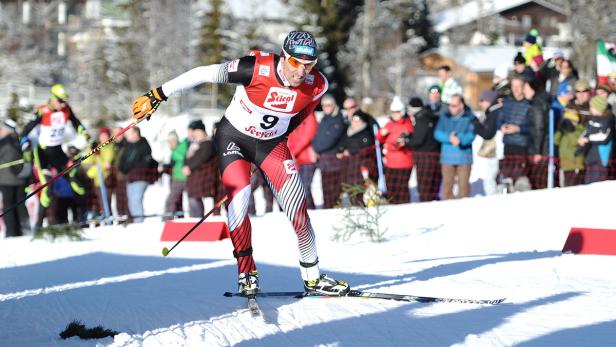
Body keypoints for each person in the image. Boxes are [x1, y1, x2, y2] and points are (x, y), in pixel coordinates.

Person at [131, 30, 349, 296]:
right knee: (239, 200)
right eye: (294, 62)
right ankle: (247, 271)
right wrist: (158, 94)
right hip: (233, 139)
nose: (301, 71)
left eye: (309, 64)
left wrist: (284, 131)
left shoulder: (318, 84)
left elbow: (303, 110)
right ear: (283, 57)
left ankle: (313, 277)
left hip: (272, 145)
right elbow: (203, 73)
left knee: (298, 211)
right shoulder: (254, 68)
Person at [20, 84, 90, 212]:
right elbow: (25, 130)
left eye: (64, 101)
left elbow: (76, 123)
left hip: (57, 150)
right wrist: (25, 142)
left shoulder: (66, 110)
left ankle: (83, 214)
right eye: (60, 100)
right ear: (52, 98)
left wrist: (87, 136)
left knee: (75, 179)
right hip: (43, 152)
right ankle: (38, 225)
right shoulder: (43, 110)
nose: (62, 104)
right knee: (48, 187)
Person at [433, 94, 476, 199]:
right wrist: (449, 138)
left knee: (464, 189)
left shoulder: (470, 117)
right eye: (450, 105)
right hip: (447, 158)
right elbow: (437, 133)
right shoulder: (444, 117)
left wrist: (460, 139)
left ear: (461, 105)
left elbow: (471, 134)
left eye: (454, 105)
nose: (451, 107)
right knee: (447, 189)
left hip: (464, 158)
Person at [375, 96, 414, 204]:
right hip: (390, 163)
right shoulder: (389, 124)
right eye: (393, 112)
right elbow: (379, 137)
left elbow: (400, 143)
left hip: (403, 163)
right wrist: (381, 134)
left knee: (402, 190)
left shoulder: (407, 124)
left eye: (397, 112)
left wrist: (390, 145)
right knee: (391, 189)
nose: (395, 114)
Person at [402, 96, 441, 202]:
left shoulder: (421, 118)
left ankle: (426, 205)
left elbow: (417, 140)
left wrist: (406, 140)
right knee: (432, 185)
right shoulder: (428, 115)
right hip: (433, 154)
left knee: (424, 186)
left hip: (425, 156)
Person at [497, 76, 532, 191]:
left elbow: (534, 127)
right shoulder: (507, 102)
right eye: (513, 86)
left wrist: (518, 129)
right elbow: (499, 120)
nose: (516, 89)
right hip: (508, 145)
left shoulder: (529, 104)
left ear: (523, 87)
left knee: (521, 179)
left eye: (518, 86)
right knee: (508, 177)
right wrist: (501, 126)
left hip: (522, 145)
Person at [312, 94, 347, 208]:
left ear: (334, 105)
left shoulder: (339, 119)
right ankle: (327, 208)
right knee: (326, 188)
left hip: (334, 160)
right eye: (324, 106)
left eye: (328, 105)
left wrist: (315, 149)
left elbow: (330, 139)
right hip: (324, 160)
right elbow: (317, 136)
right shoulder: (324, 119)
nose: (326, 108)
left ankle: (335, 209)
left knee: (335, 189)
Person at [118, 126, 157, 223]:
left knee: (136, 200)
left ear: (136, 133)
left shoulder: (143, 145)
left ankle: (139, 222)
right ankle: (136, 221)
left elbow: (145, 162)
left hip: (140, 177)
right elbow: (122, 162)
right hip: (130, 177)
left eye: (129, 134)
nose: (126, 136)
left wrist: (131, 165)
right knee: (131, 201)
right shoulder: (127, 146)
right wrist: (125, 167)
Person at [0, 119, 29, 237]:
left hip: (7, 179)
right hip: (22, 177)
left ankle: (11, 232)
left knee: (8, 205)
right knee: (21, 204)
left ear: (7, 129)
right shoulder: (20, 140)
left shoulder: (3, 142)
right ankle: (24, 229)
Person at [577, 96, 614, 183]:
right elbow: (588, 130)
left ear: (598, 108)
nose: (590, 109)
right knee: (588, 181)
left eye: (592, 107)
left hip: (601, 157)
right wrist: (582, 138)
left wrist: (588, 139)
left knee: (598, 181)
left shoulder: (607, 120)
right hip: (590, 155)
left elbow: (603, 136)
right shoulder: (592, 118)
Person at [183, 120, 215, 217]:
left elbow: (201, 158)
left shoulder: (207, 143)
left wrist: (189, 167)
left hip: (202, 175)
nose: (193, 134)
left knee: (195, 198)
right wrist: (185, 166)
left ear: (200, 131)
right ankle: (194, 218)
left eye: (195, 131)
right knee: (192, 198)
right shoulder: (194, 144)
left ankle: (198, 219)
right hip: (194, 176)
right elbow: (187, 157)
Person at [287, 108, 318, 209]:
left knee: (305, 187)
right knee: (298, 189)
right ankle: (305, 211)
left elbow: (308, 135)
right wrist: (290, 152)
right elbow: (289, 135)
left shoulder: (309, 113)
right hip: (295, 159)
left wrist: (294, 151)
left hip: (307, 157)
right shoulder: (292, 115)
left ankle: (310, 211)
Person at [473, 89, 502, 195]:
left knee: (490, 178)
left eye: (482, 100)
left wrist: (475, 124)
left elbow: (488, 134)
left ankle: (492, 200)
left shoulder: (494, 112)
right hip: (499, 150)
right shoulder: (495, 111)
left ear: (489, 100)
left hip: (496, 151)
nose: (480, 103)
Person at [554, 109, 585, 186]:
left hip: (575, 163)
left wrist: (570, 131)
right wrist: (560, 131)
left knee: (573, 186)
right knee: (566, 185)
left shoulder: (579, 130)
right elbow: (555, 141)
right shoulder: (565, 131)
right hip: (565, 164)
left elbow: (575, 142)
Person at [163, 130, 188, 219]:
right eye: (169, 142)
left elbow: (183, 158)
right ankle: (179, 217)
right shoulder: (174, 150)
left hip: (182, 177)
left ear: (176, 140)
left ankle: (166, 219)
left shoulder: (180, 148)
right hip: (176, 177)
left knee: (171, 200)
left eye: (172, 141)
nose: (170, 143)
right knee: (177, 200)